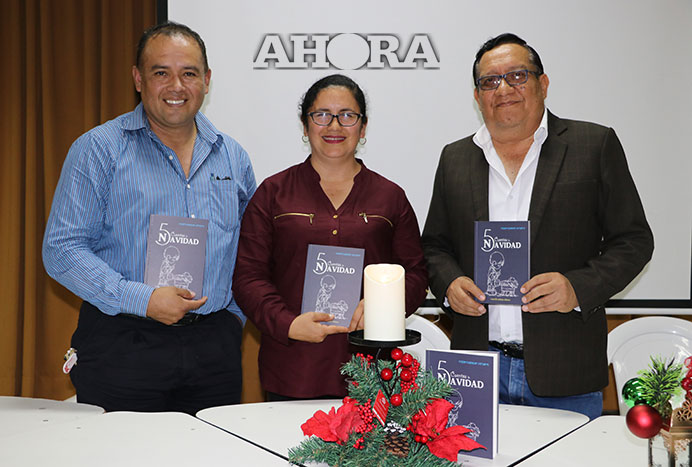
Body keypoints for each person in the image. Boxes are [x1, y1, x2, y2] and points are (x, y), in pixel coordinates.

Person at [421, 33, 653, 419]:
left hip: (565, 371)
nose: (504, 88)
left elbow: (634, 241)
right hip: (476, 370)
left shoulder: (593, 145)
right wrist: (448, 283)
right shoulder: (455, 158)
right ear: (477, 96)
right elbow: (434, 246)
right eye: (490, 81)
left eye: (517, 76)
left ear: (542, 84)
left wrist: (577, 288)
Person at [42, 22, 256, 414]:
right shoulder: (98, 149)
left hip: (214, 352)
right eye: (161, 73)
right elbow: (61, 250)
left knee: (210, 448)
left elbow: (250, 250)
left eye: (189, 73)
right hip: (123, 343)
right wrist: (143, 299)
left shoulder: (233, 157)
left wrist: (231, 319)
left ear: (207, 80)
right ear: (138, 79)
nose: (177, 86)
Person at [233, 74, 428, 400]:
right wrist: (287, 323)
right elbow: (248, 277)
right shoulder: (272, 193)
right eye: (322, 115)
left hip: (372, 370)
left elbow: (417, 274)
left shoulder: (390, 197)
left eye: (347, 115)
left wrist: (384, 306)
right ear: (305, 124)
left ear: (363, 128)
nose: (334, 126)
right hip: (293, 368)